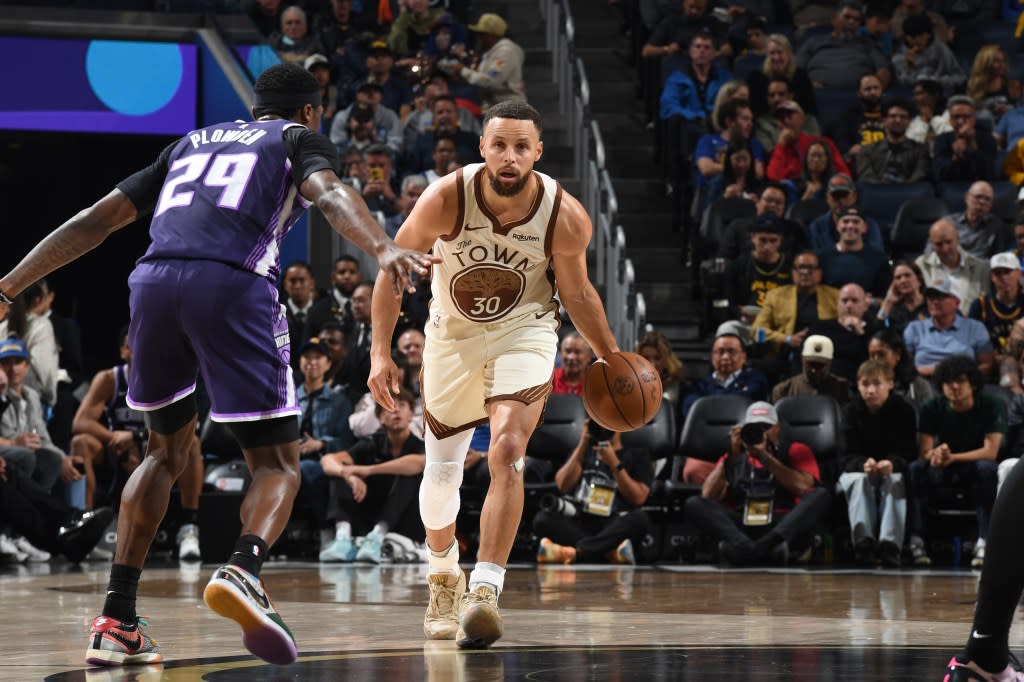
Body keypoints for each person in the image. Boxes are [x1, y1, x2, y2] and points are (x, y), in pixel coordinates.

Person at [0, 63, 434, 667]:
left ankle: (116, 619)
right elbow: (331, 193)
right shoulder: (295, 140)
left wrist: (9, 286)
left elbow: (97, 221)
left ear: (255, 108)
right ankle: (244, 568)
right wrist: (383, 247)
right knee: (278, 462)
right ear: (310, 112)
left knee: (163, 451)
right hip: (230, 286)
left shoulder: (188, 143)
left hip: (150, 284)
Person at [366, 101, 621, 649]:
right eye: (499, 145)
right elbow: (393, 267)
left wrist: (610, 357)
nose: (510, 157)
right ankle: (442, 577)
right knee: (441, 476)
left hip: (525, 331)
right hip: (452, 337)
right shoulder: (445, 197)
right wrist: (379, 353)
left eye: (521, 147)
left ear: (538, 152)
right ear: (481, 147)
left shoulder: (565, 214)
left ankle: (484, 591)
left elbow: (575, 293)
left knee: (507, 450)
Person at [70, 328, 204, 560]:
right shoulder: (110, 379)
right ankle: (88, 524)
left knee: (191, 443)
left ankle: (188, 527)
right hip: (116, 450)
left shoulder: (167, 379)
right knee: (81, 443)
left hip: (153, 448)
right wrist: (115, 438)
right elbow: (81, 421)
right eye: (134, 345)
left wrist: (136, 438)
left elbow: (186, 426)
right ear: (124, 351)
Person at [684, 401, 830, 566]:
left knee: (821, 495)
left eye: (765, 427)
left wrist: (766, 458)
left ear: (777, 428)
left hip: (779, 522)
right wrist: (731, 456)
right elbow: (708, 495)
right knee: (694, 503)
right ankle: (754, 548)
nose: (761, 433)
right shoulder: (734, 455)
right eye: (754, 428)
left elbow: (803, 487)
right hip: (742, 523)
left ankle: (755, 548)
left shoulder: (795, 450)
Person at [908, 356, 1003, 569]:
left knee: (988, 469)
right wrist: (937, 454)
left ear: (973, 383)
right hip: (945, 467)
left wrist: (953, 457)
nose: (954, 386)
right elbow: (924, 451)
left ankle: (984, 540)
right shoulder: (932, 406)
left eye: (960, 380)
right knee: (915, 469)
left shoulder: (991, 405)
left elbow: (991, 452)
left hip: (974, 466)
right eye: (948, 381)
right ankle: (916, 539)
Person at [318, 387, 426, 563]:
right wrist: (348, 475)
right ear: (380, 418)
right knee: (343, 470)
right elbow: (328, 460)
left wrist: (368, 470)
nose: (396, 409)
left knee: (411, 474)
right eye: (389, 406)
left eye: (402, 405)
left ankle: (378, 536)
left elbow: (420, 463)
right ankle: (342, 538)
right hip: (370, 513)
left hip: (406, 520)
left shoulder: (419, 444)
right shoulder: (372, 443)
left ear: (410, 415)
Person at [534, 425, 652, 566]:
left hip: (613, 522)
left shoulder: (637, 454)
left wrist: (614, 463)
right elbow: (562, 486)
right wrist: (583, 442)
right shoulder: (582, 452)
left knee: (639, 519)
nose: (603, 427)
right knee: (542, 518)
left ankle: (575, 553)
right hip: (580, 520)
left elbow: (638, 498)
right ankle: (608, 552)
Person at [837, 360, 916, 566]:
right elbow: (843, 455)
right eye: (865, 384)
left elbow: (909, 452)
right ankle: (864, 544)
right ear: (858, 385)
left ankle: (890, 546)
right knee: (858, 481)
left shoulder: (904, 410)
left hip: (890, 467)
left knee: (895, 479)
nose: (871, 390)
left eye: (877, 384)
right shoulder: (849, 411)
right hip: (858, 468)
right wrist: (862, 464)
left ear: (890, 384)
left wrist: (892, 463)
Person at [905, 277, 994, 378]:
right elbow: (905, 366)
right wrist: (936, 371)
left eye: (941, 297)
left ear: (956, 302)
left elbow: (987, 365)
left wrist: (962, 376)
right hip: (924, 382)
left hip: (963, 382)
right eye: (931, 297)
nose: (935, 302)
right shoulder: (914, 328)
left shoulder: (975, 328)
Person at [794, 1, 891, 90]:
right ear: (834, 19)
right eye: (847, 17)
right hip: (817, 93)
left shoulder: (868, 44)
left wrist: (875, 89)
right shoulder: (814, 41)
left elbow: (883, 70)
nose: (851, 22)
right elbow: (797, 69)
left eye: (856, 19)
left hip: (859, 96)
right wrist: (807, 86)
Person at [442, 13, 526, 111]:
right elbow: (482, 77)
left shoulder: (505, 51)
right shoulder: (491, 52)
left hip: (510, 110)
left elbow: (490, 81)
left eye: (482, 34)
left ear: (491, 35)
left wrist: (462, 70)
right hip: (495, 107)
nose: (479, 38)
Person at [915, 219, 991, 316]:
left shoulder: (981, 268)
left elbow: (986, 304)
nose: (945, 249)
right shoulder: (920, 265)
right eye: (939, 244)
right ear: (931, 244)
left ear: (958, 239)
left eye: (949, 242)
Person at [810, 283, 880, 383]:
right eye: (844, 300)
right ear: (837, 304)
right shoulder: (820, 328)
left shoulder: (874, 330)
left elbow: (873, 360)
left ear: (865, 306)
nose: (849, 305)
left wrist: (859, 332)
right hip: (826, 384)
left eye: (855, 301)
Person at [815, 207, 890, 298]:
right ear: (837, 226)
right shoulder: (822, 258)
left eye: (856, 222)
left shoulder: (879, 259)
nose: (850, 226)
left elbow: (886, 299)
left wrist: (870, 302)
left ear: (865, 228)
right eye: (846, 221)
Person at [765, 101, 849, 182]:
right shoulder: (779, 150)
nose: (786, 121)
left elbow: (844, 176)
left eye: (789, 116)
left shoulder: (823, 143)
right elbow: (774, 178)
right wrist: (781, 146)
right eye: (781, 118)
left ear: (802, 119)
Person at [854, 98, 930, 184]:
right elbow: (866, 178)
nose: (898, 120)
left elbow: (920, 176)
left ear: (909, 122)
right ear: (884, 121)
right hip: (877, 195)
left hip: (909, 195)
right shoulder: (867, 151)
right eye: (893, 116)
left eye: (903, 117)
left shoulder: (920, 150)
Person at [890, 13, 965, 92]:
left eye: (921, 36)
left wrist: (939, 81)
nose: (917, 40)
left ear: (929, 34)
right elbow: (902, 84)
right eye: (912, 37)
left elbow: (960, 77)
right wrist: (909, 67)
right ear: (906, 37)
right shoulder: (898, 56)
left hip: (939, 91)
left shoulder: (940, 49)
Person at [771, 334, 852, 405]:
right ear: (802, 360)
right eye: (810, 364)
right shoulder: (784, 391)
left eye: (820, 366)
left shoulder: (842, 388)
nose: (814, 370)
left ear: (829, 363)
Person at [868, 327, 936, 411]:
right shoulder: (867, 386)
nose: (876, 360)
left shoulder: (918, 385)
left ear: (897, 354)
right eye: (872, 355)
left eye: (881, 354)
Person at [933, 96, 998, 183]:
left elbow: (988, 173)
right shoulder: (941, 140)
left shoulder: (988, 139)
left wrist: (972, 145)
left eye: (966, 117)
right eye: (956, 117)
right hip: (952, 188)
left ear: (974, 119)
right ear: (950, 120)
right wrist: (955, 158)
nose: (961, 121)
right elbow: (939, 174)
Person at [970, 253, 1024, 357]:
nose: (1003, 278)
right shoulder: (980, 305)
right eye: (998, 273)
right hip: (990, 361)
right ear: (992, 277)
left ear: (1019, 274)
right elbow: (972, 340)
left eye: (1008, 272)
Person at [940, 182, 1005, 259]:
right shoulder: (947, 223)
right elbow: (930, 255)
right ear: (966, 197)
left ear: (991, 204)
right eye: (978, 197)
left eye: (987, 199)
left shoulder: (995, 225)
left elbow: (998, 258)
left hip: (982, 269)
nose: (982, 202)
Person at [876, 260, 927, 335]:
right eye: (898, 278)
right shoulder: (893, 310)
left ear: (919, 280)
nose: (903, 280)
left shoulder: (931, 304)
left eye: (907, 275)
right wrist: (888, 301)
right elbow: (879, 333)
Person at [552, 332, 594, 398]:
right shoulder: (549, 379)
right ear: (561, 354)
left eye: (577, 352)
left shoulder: (597, 382)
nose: (571, 357)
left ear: (589, 356)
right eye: (567, 351)